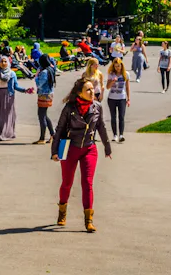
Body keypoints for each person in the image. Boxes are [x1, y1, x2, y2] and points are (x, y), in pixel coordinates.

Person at [51, 79, 112, 231]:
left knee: (87, 183)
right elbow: (59, 129)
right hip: (70, 148)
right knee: (67, 182)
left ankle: (89, 220)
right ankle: (62, 212)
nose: (93, 93)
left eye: (93, 89)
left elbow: (101, 127)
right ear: (79, 93)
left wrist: (107, 146)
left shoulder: (97, 107)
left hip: (89, 148)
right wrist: (54, 151)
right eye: (89, 90)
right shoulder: (69, 108)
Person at [0, 56, 33, 141]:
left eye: (5, 61)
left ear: (8, 63)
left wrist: (25, 90)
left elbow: (15, 86)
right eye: (2, 61)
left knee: (6, 115)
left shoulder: (12, 74)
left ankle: (5, 133)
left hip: (8, 95)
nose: (3, 63)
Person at [34, 54, 57, 144]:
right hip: (49, 94)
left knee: (41, 115)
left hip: (44, 94)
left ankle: (42, 138)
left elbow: (39, 84)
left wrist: (36, 77)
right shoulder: (51, 69)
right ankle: (52, 134)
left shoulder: (44, 72)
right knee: (44, 115)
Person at [105, 58, 130, 142]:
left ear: (121, 65)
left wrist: (128, 98)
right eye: (115, 66)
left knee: (121, 117)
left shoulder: (126, 74)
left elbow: (127, 87)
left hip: (122, 98)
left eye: (118, 66)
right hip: (112, 98)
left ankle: (121, 135)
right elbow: (107, 87)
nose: (117, 68)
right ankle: (115, 135)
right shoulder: (111, 74)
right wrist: (112, 81)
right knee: (113, 117)